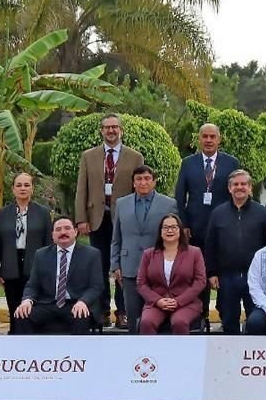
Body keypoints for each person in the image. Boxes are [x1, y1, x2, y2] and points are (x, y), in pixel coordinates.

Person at [74, 113, 144, 328]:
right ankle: (102, 310)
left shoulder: (135, 157)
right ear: (101, 131)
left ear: (121, 130)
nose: (111, 131)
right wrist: (81, 219)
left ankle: (123, 312)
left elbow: (140, 189)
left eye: (115, 127)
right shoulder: (89, 156)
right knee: (99, 265)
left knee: (124, 265)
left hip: (125, 220)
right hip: (97, 218)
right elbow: (81, 189)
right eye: (107, 127)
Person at [174, 123, 240, 319]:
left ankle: (224, 311)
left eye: (213, 136)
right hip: (195, 229)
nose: (209, 140)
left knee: (222, 270)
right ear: (199, 139)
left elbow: (235, 193)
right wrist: (183, 224)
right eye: (205, 136)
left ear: (219, 139)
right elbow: (179, 196)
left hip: (223, 227)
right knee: (197, 272)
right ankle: (199, 313)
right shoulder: (188, 163)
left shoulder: (231, 163)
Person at [110, 165, 179, 332]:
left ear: (154, 181)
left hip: (158, 267)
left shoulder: (168, 204)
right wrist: (115, 264)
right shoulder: (122, 203)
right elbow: (116, 236)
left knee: (157, 313)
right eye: (139, 179)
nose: (143, 183)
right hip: (129, 266)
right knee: (132, 313)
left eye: (147, 179)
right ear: (133, 183)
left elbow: (175, 236)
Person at [204, 169, 266, 334]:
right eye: (236, 184)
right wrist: (212, 273)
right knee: (228, 320)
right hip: (227, 277)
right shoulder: (218, 213)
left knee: (256, 321)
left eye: (243, 184)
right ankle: (231, 358)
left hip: (255, 278)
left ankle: (252, 357)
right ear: (229, 188)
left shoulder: (263, 213)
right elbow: (210, 245)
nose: (239, 187)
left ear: (250, 188)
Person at [13, 216, 103, 335]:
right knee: (22, 315)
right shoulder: (41, 255)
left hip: (76, 303)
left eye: (67, 228)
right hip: (49, 303)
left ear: (75, 232)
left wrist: (83, 301)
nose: (63, 232)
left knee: (81, 316)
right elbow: (33, 285)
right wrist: (26, 301)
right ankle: (30, 353)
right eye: (58, 229)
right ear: (53, 234)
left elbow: (96, 286)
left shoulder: (91, 254)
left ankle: (78, 353)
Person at [0, 173, 52, 333]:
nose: (23, 188)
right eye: (19, 185)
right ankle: (15, 338)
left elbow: (49, 242)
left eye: (26, 185)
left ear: (32, 189)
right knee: (14, 307)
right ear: (13, 189)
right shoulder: (3, 213)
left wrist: (50, 267)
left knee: (32, 307)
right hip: (11, 264)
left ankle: (33, 339)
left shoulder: (43, 213)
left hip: (35, 265)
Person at [135, 214, 207, 335]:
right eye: (166, 227)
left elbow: (200, 281)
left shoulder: (194, 252)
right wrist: (158, 300)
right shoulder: (148, 254)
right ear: (160, 231)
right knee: (146, 322)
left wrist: (178, 301)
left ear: (180, 230)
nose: (170, 230)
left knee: (179, 322)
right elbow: (141, 284)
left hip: (186, 303)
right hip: (156, 303)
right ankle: (151, 353)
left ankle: (180, 354)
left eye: (174, 227)